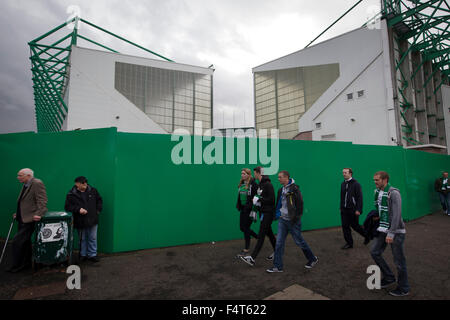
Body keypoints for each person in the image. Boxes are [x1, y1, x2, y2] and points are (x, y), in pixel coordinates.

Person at [266, 171, 318, 273]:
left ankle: (312, 259)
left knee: (299, 242)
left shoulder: (294, 189)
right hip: (282, 220)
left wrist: (295, 218)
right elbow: (279, 204)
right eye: (278, 177)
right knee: (279, 243)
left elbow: (300, 204)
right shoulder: (281, 190)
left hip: (293, 221)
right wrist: (277, 215)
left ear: (286, 178)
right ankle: (278, 266)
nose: (278, 179)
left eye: (280, 177)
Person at [370, 171, 409, 297]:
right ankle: (389, 277)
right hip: (383, 228)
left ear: (385, 180)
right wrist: (377, 217)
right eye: (374, 180)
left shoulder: (394, 193)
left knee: (399, 261)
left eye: (377, 180)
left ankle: (404, 288)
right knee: (374, 252)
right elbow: (381, 209)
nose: (375, 182)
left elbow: (397, 215)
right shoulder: (377, 192)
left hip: (396, 231)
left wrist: (391, 233)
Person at [7, 168, 47, 273]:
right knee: (25, 242)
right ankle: (25, 264)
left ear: (28, 176)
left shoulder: (37, 183)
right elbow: (25, 201)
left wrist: (39, 214)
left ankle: (17, 265)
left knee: (17, 242)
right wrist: (19, 213)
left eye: (20, 175)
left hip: (30, 219)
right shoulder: (26, 184)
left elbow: (42, 200)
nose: (18, 177)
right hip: (22, 217)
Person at [240, 166, 277, 266]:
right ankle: (277, 252)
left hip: (268, 213)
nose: (254, 175)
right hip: (263, 212)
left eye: (255, 173)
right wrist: (257, 205)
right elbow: (261, 198)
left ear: (258, 173)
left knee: (261, 235)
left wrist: (259, 200)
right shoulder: (260, 185)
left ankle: (252, 258)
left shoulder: (268, 185)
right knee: (270, 234)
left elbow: (272, 200)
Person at [65, 176, 103, 263]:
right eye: (82, 182)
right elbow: (67, 207)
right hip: (80, 220)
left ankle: (92, 255)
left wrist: (97, 210)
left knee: (92, 237)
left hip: (92, 218)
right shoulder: (71, 194)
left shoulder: (93, 190)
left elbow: (99, 200)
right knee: (82, 238)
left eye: (85, 182)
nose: (85, 184)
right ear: (77, 184)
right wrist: (78, 209)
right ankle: (83, 254)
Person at [340, 168, 366, 249]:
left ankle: (367, 235)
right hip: (344, 209)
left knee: (355, 226)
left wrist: (358, 209)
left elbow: (359, 198)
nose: (344, 174)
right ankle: (349, 243)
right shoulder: (342, 184)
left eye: (345, 172)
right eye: (343, 173)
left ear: (350, 173)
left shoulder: (356, 184)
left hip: (353, 209)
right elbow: (342, 197)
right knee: (345, 226)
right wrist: (341, 207)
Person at [235, 169, 258, 255]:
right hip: (243, 208)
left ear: (249, 174)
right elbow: (240, 196)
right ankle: (258, 237)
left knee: (245, 227)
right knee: (243, 228)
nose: (242, 175)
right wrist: (239, 205)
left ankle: (247, 248)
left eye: (244, 174)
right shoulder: (242, 184)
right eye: (241, 173)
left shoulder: (253, 184)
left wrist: (252, 207)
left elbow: (256, 196)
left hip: (250, 209)